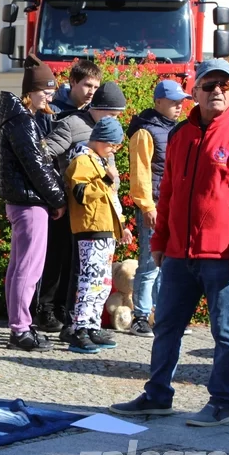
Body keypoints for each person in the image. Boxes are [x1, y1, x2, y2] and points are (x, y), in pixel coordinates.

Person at [109, 59, 229, 426]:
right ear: (195, 92)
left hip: (223, 256)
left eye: (224, 86)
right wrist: (160, 240)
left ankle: (221, 403)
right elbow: (168, 192)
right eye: (209, 85)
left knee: (225, 332)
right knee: (166, 325)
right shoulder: (181, 135)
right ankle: (157, 395)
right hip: (180, 253)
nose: (217, 91)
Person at [34, 81, 126, 334]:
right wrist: (56, 193)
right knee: (59, 259)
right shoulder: (72, 124)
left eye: (117, 116)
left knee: (81, 267)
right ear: (98, 107)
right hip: (68, 203)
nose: (113, 119)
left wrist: (113, 187)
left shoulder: (107, 130)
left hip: (95, 209)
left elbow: (108, 168)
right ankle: (46, 309)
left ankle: (69, 312)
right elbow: (44, 156)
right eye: (111, 114)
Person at [0, 54, 65, 352]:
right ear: (29, 92)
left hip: (21, 201)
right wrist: (58, 198)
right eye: (45, 90)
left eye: (51, 90)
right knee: (28, 270)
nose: (50, 95)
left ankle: (20, 325)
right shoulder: (23, 122)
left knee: (19, 267)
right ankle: (21, 329)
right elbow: (37, 166)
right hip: (30, 203)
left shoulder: (18, 119)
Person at [126, 80, 192, 338]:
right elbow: (140, 172)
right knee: (149, 263)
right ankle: (140, 317)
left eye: (181, 102)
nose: (179, 106)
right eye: (174, 102)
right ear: (158, 102)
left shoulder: (173, 129)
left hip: (172, 206)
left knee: (168, 263)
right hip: (154, 206)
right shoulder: (146, 131)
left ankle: (162, 314)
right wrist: (146, 206)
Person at [62, 117, 132, 353]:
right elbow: (81, 193)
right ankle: (79, 328)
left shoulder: (99, 161)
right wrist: (105, 178)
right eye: (113, 144)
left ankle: (92, 325)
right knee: (89, 281)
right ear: (100, 139)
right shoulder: (82, 159)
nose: (115, 149)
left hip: (104, 229)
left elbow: (111, 199)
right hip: (90, 228)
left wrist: (121, 225)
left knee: (102, 282)